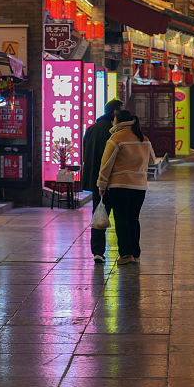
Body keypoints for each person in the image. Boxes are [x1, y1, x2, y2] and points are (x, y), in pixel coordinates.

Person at [97, 110, 156, 265]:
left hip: (120, 186)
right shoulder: (144, 138)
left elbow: (106, 164)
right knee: (133, 219)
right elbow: (152, 160)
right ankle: (136, 254)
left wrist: (102, 184)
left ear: (117, 121)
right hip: (140, 186)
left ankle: (126, 254)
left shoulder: (116, 139)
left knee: (121, 220)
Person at [82, 98, 124, 263]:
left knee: (98, 214)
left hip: (94, 180)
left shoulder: (91, 128)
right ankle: (124, 252)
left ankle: (98, 252)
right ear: (115, 112)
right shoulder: (114, 131)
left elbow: (86, 153)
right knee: (120, 216)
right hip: (112, 180)